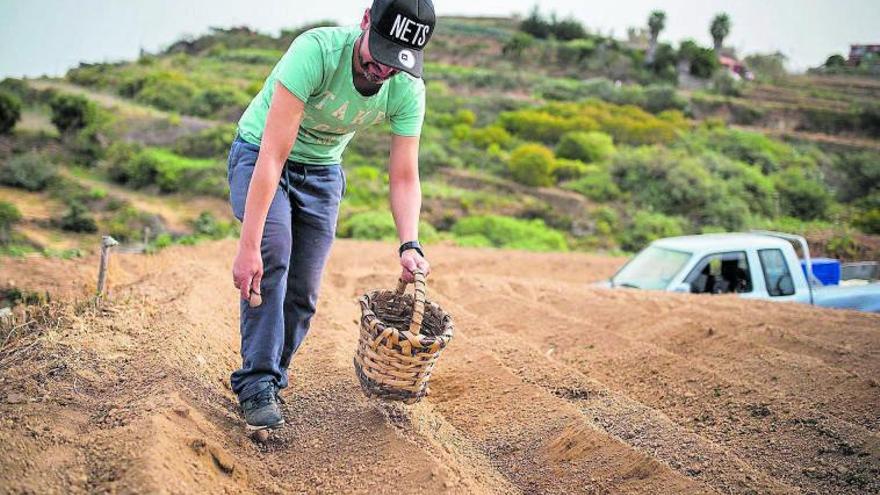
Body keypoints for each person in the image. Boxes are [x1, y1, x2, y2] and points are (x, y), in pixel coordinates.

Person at [226, 0, 434, 430]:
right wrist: (249, 247)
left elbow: (404, 176)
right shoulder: (316, 52)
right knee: (274, 254)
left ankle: (271, 378)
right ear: (364, 22)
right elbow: (272, 155)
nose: (385, 70)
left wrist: (409, 243)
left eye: (398, 61)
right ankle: (256, 383)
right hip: (260, 154)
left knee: (303, 293)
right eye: (381, 53)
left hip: (322, 171)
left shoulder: (407, 88)